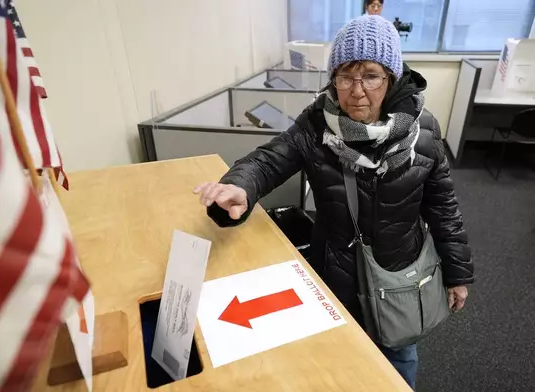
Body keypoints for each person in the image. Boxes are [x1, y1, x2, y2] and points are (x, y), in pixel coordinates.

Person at [194, 15, 473, 390]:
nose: (357, 90)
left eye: (370, 75)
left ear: (391, 78)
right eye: (345, 75)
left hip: (399, 273)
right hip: (335, 270)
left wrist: (457, 275)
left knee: (399, 358)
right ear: (333, 78)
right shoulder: (315, 125)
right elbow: (269, 159)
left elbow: (443, 208)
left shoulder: (423, 132)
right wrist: (240, 187)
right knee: (339, 361)